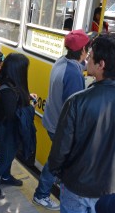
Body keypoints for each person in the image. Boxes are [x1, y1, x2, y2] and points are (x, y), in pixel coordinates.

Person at [47, 33, 115, 213]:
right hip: (111, 189)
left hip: (76, 186)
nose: (87, 60)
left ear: (101, 65)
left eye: (90, 57)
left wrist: (57, 172)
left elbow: (60, 150)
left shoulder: (77, 101)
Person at [33, 29, 92, 210]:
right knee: (55, 161)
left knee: (57, 160)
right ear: (83, 51)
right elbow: (74, 109)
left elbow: (77, 68)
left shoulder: (62, 62)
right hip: (60, 127)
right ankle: (41, 194)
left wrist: (87, 67)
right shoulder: (73, 75)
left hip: (52, 120)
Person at [0, 53, 37, 199]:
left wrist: (27, 98)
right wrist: (30, 106)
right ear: (18, 71)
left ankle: (6, 176)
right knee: (5, 158)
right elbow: (12, 115)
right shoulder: (8, 90)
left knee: (10, 155)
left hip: (10, 130)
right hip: (7, 131)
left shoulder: (10, 84)